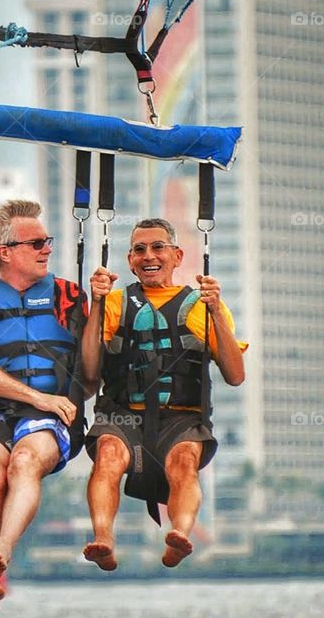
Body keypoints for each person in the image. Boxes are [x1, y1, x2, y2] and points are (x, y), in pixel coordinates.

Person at [0, 199, 87, 613]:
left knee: (23, 462)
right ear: (5, 252)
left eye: (48, 241)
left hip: (51, 415)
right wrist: (35, 397)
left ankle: (2, 549)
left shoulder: (69, 296)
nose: (47, 248)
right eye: (37, 242)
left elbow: (91, 366)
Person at [81, 216, 246, 571]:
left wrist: (216, 310)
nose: (148, 255)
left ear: (177, 256)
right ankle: (103, 539)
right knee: (107, 456)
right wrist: (95, 303)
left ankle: (180, 536)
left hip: (181, 416)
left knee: (184, 462)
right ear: (129, 260)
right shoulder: (113, 303)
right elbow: (91, 372)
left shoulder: (202, 306)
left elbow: (235, 375)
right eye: (139, 249)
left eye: (158, 247)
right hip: (122, 414)